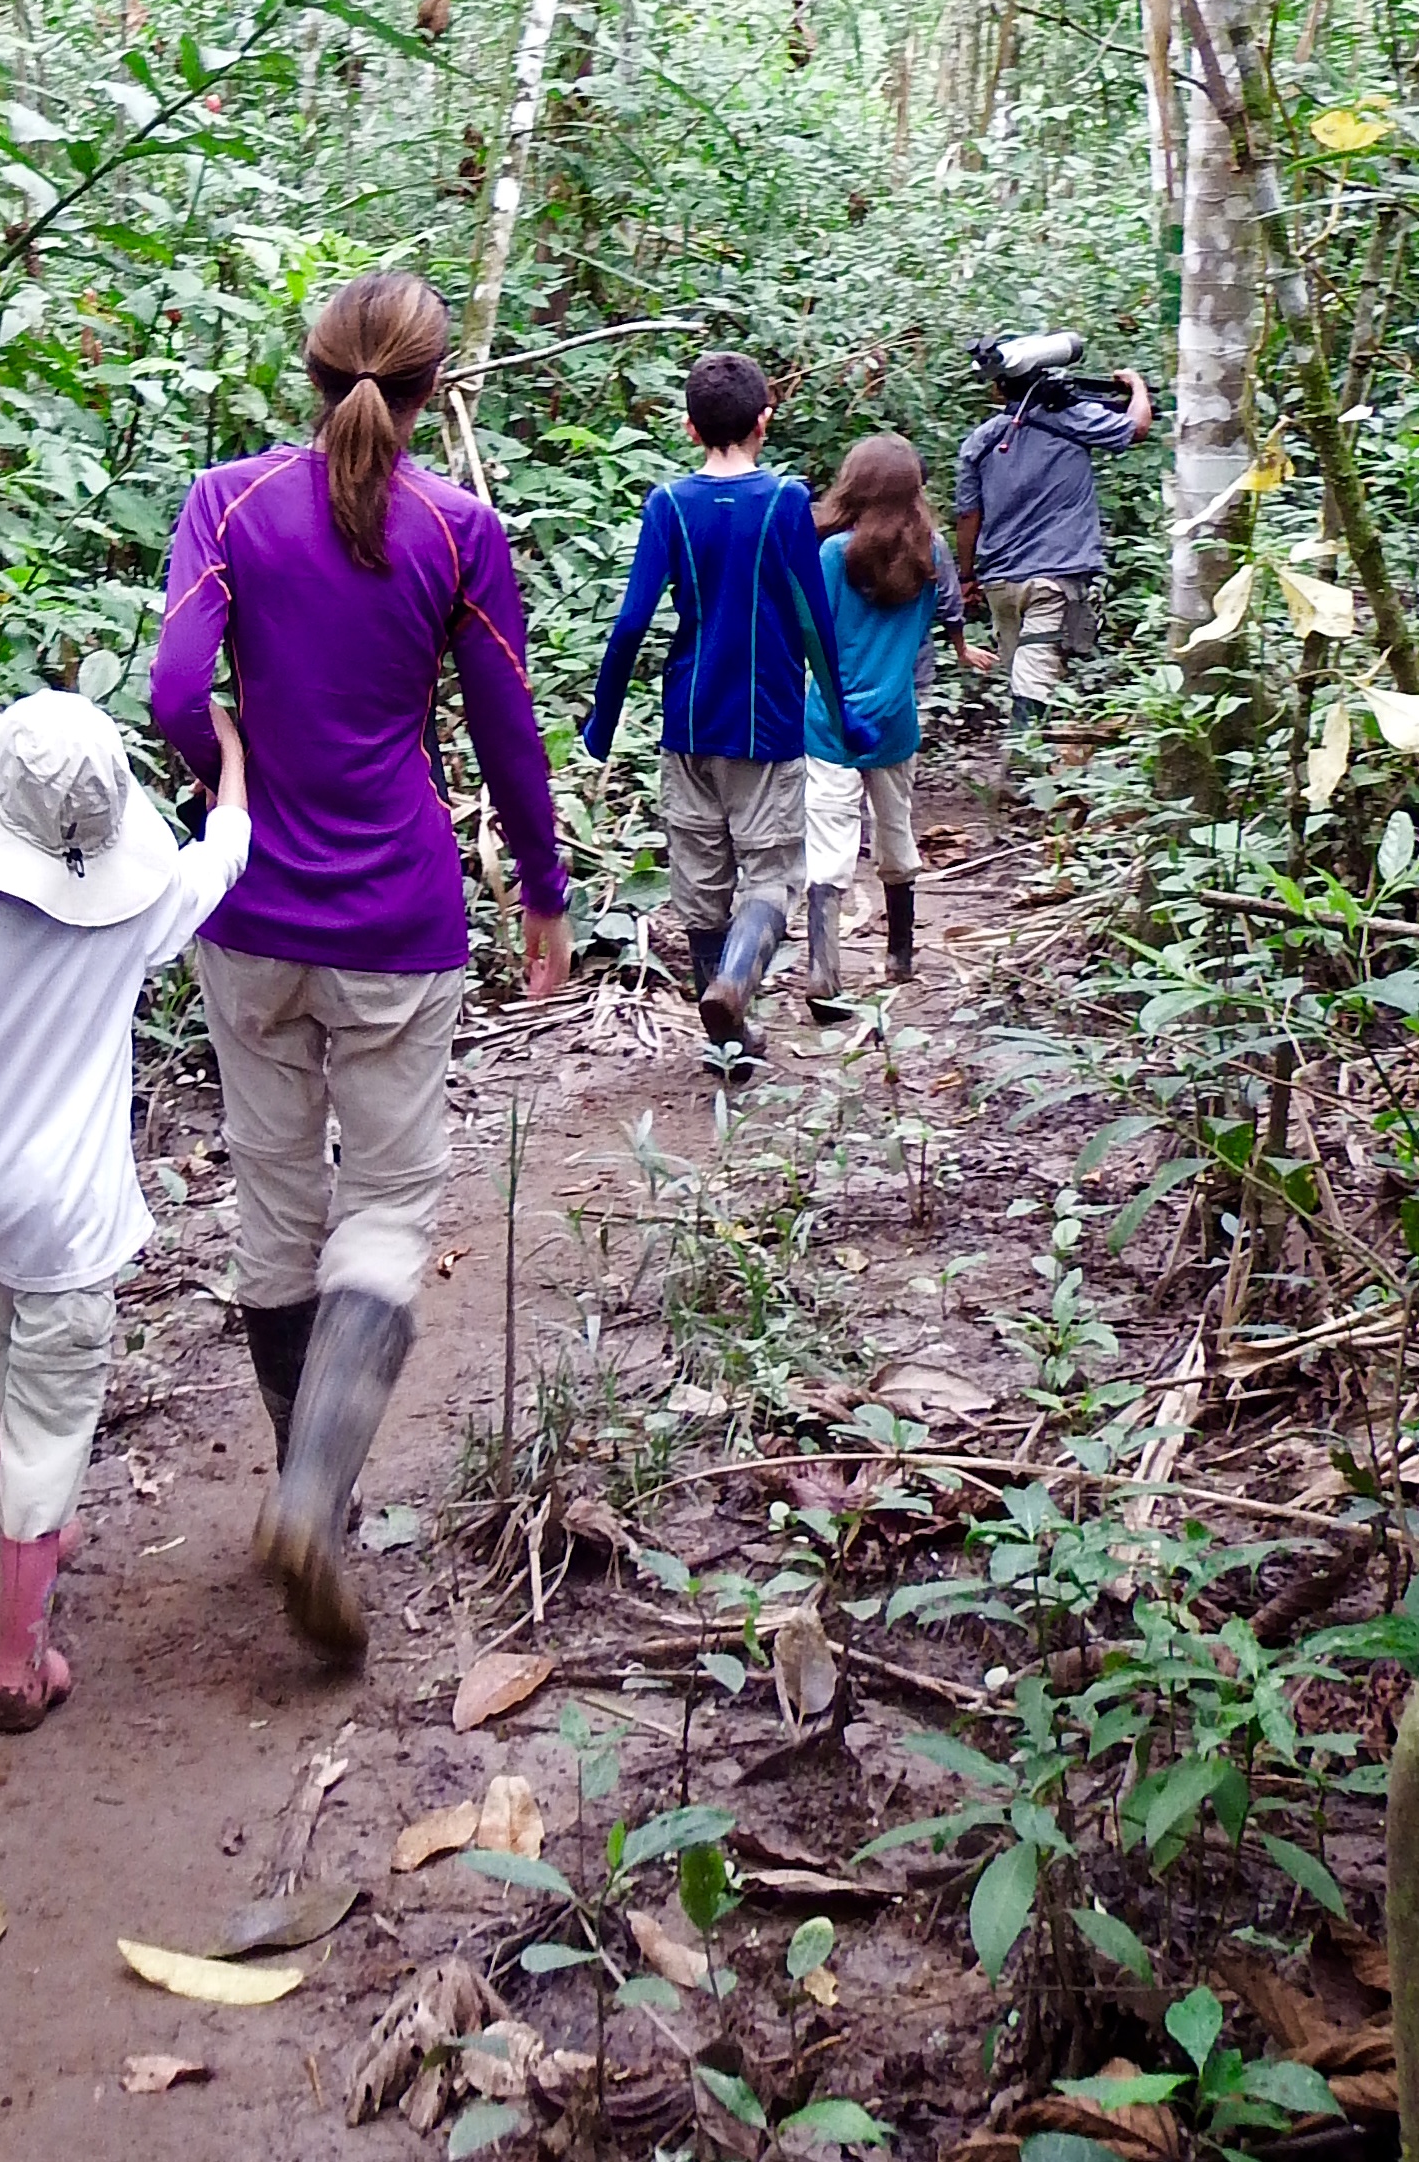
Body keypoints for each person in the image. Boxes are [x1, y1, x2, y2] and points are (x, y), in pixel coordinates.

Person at [149, 268, 568, 1667]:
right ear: (437, 387)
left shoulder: (225, 504)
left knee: (276, 1200)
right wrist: (544, 897)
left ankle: (302, 1483)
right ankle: (315, 1494)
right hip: (398, 912)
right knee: (385, 1203)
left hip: (247, 907)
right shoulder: (462, 530)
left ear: (309, 374)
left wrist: (228, 783)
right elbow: (509, 728)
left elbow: (168, 689)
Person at [0, 687, 250, 1732]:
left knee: (18, 1345)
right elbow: (219, 858)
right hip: (68, 1219)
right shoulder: (127, 922)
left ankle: (38, 1527)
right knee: (53, 1411)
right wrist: (231, 765)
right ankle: (19, 1660)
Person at [579, 346, 868, 1059]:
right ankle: (736, 988)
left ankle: (726, 1046)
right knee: (770, 875)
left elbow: (631, 622)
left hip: (688, 724)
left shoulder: (669, 505)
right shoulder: (787, 501)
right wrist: (838, 711)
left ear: (688, 427)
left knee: (703, 888)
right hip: (766, 723)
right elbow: (811, 621)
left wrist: (603, 717)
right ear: (763, 420)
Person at [802, 433, 993, 1010]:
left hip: (829, 723)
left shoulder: (832, 555)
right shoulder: (931, 554)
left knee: (828, 845)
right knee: (895, 829)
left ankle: (824, 971)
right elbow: (940, 620)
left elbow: (814, 638)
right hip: (895, 721)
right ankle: (899, 956)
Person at [953, 354, 1153, 766]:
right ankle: (1022, 776)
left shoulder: (981, 440)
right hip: (1055, 578)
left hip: (1001, 583)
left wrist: (967, 575)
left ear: (997, 390)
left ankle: (1033, 769)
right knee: (1034, 677)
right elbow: (1137, 428)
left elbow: (968, 516)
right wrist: (1136, 385)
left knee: (1024, 674)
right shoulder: (1074, 420)